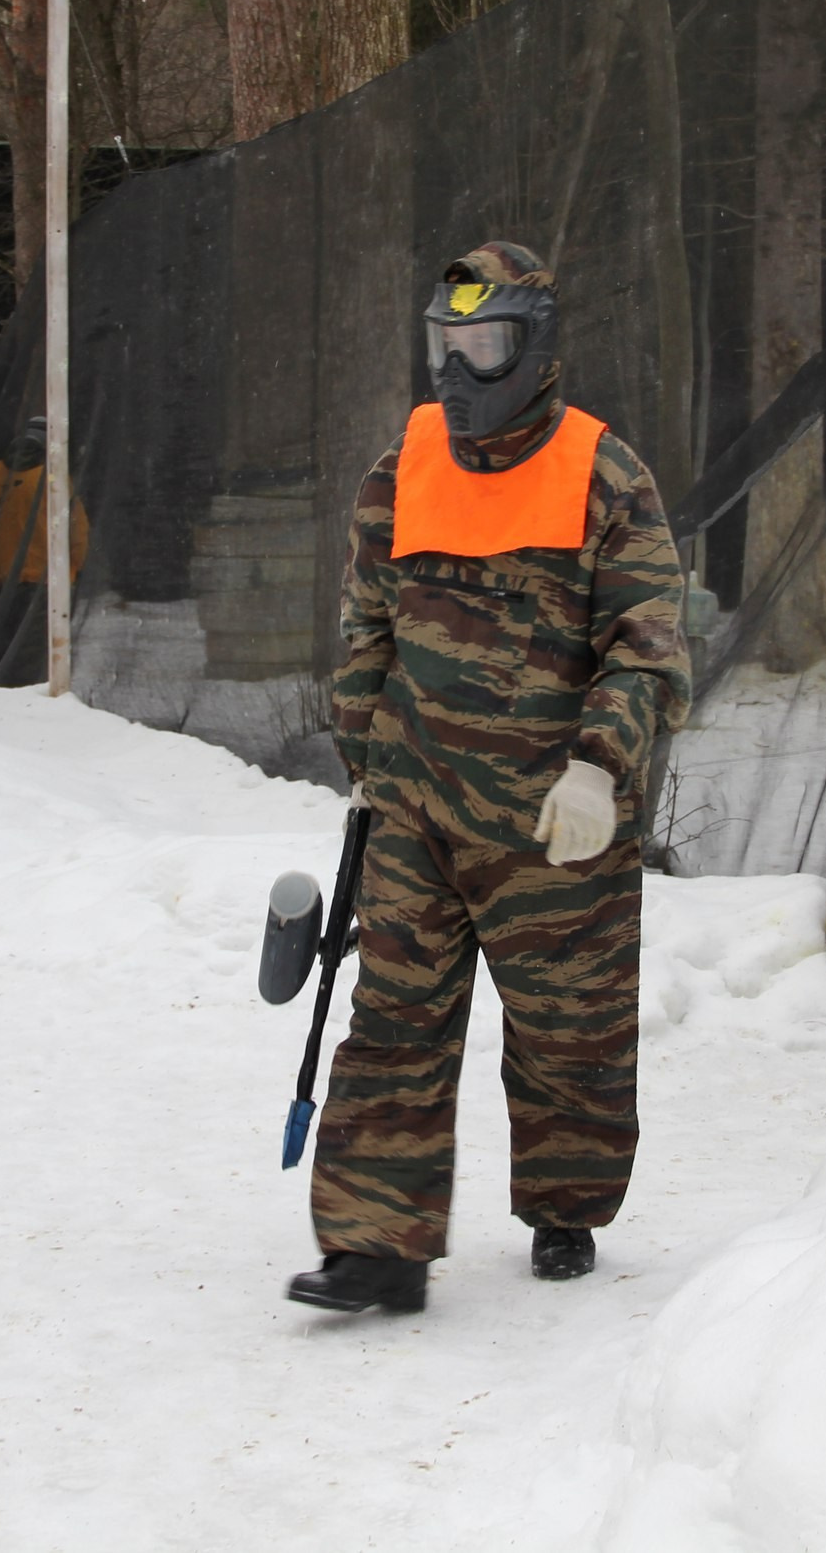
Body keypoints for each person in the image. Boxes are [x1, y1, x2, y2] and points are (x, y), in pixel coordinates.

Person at [287, 241, 690, 1317]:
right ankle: (376, 1247)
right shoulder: (401, 468)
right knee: (393, 1022)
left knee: (571, 1033)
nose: (460, 372)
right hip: (418, 813)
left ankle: (566, 1206)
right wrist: (367, 757)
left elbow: (646, 647)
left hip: (559, 820)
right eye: (445, 346)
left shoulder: (606, 474)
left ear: (537, 348)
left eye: (485, 345)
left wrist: (600, 771)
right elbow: (365, 622)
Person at [0, 417, 91, 607]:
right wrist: (80, 567)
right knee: (39, 636)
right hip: (47, 578)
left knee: (5, 635)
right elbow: (76, 530)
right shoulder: (53, 479)